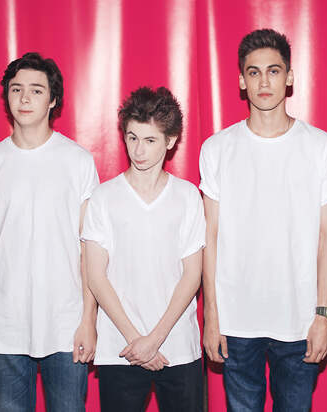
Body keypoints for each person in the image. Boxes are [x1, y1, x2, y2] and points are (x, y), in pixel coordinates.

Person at [199, 29, 327, 411]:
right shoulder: (217, 149)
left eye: (274, 71)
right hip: (235, 321)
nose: (264, 82)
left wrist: (325, 316)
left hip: (300, 321)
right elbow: (209, 237)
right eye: (254, 72)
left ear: (289, 77)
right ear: (241, 81)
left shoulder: (323, 148)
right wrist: (211, 315)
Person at [0, 52, 99, 412]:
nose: (25, 98)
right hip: (6, 325)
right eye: (16, 89)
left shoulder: (77, 161)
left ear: (53, 99)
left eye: (36, 90)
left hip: (65, 324)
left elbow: (89, 247)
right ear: (7, 96)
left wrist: (88, 319)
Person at [82, 86, 205, 411]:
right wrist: (136, 341)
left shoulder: (187, 196)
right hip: (120, 348)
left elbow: (192, 275)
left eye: (150, 140)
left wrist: (154, 340)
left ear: (170, 140)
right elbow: (96, 276)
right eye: (132, 137)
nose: (139, 150)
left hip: (178, 347)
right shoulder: (104, 197)